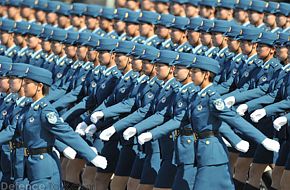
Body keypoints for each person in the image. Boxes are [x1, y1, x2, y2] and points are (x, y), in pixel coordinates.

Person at [20, 65, 107, 189]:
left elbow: (67, 133)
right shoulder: (28, 109)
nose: (23, 86)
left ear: (39, 86)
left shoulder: (46, 111)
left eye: (27, 83)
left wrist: (92, 156)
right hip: (28, 164)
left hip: (43, 168)